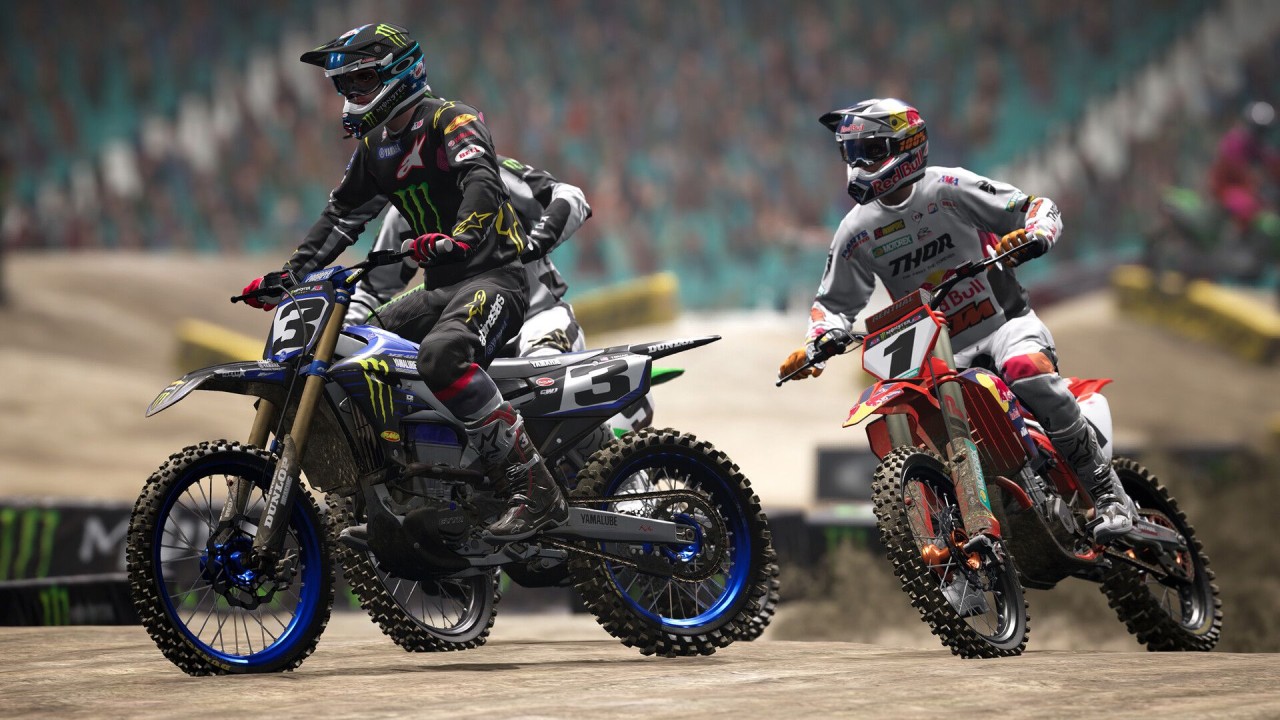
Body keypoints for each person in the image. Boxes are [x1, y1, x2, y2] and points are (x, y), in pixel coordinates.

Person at [241, 23, 565, 542]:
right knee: (352, 356)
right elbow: (341, 216)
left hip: (495, 278)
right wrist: (290, 276)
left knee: (442, 357)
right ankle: (398, 493)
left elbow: (480, 179)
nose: (352, 94)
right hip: (439, 290)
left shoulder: (451, 119)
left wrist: (461, 238)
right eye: (344, 85)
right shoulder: (375, 147)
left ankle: (534, 487)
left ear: (400, 73)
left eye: (361, 81)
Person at [777, 97, 1136, 543]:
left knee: (1026, 369)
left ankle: (1109, 495)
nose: (859, 164)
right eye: (852, 154)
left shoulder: (948, 187)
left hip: (1005, 327)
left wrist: (1036, 234)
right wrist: (818, 340)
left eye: (869, 151)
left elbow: (1034, 207)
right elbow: (832, 303)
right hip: (938, 353)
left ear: (905, 145)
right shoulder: (855, 231)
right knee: (918, 416)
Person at [345, 155, 591, 361]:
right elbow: (371, 290)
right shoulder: (402, 215)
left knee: (543, 371)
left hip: (538, 320)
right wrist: (342, 339)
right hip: (467, 338)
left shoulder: (492, 172)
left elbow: (570, 196)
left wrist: (533, 245)